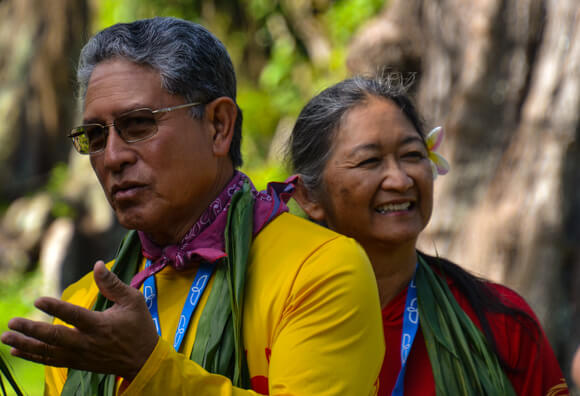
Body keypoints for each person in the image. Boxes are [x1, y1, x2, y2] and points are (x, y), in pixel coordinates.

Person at [0, 17, 385, 395]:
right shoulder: (86, 305)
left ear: (218, 125)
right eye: (95, 135)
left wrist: (147, 367)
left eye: (137, 124)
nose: (112, 156)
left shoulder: (320, 270)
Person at [288, 75, 570, 395]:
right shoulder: (270, 320)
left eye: (411, 155)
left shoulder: (500, 322)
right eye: (370, 161)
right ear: (308, 196)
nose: (401, 179)